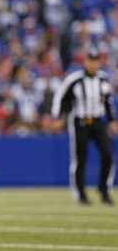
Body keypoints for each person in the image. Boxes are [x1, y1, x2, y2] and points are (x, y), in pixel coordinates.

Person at [52, 46, 117, 205]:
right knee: (80, 159)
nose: (93, 64)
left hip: (98, 121)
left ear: (99, 62)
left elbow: (109, 103)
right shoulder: (74, 79)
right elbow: (62, 98)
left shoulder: (104, 80)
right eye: (90, 60)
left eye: (96, 61)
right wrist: (58, 117)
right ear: (85, 61)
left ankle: (104, 190)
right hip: (79, 121)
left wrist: (113, 120)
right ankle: (80, 193)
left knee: (108, 155)